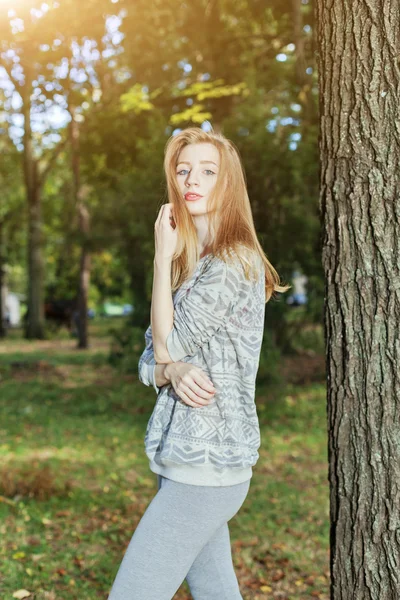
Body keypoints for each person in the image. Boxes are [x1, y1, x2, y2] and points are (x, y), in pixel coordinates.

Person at [107, 126, 290, 600]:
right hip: (181, 459)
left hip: (210, 468)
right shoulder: (193, 264)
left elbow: (170, 344)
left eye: (208, 171)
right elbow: (150, 363)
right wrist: (170, 370)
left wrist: (159, 259)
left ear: (227, 184)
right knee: (215, 591)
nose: (192, 179)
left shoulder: (234, 262)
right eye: (184, 170)